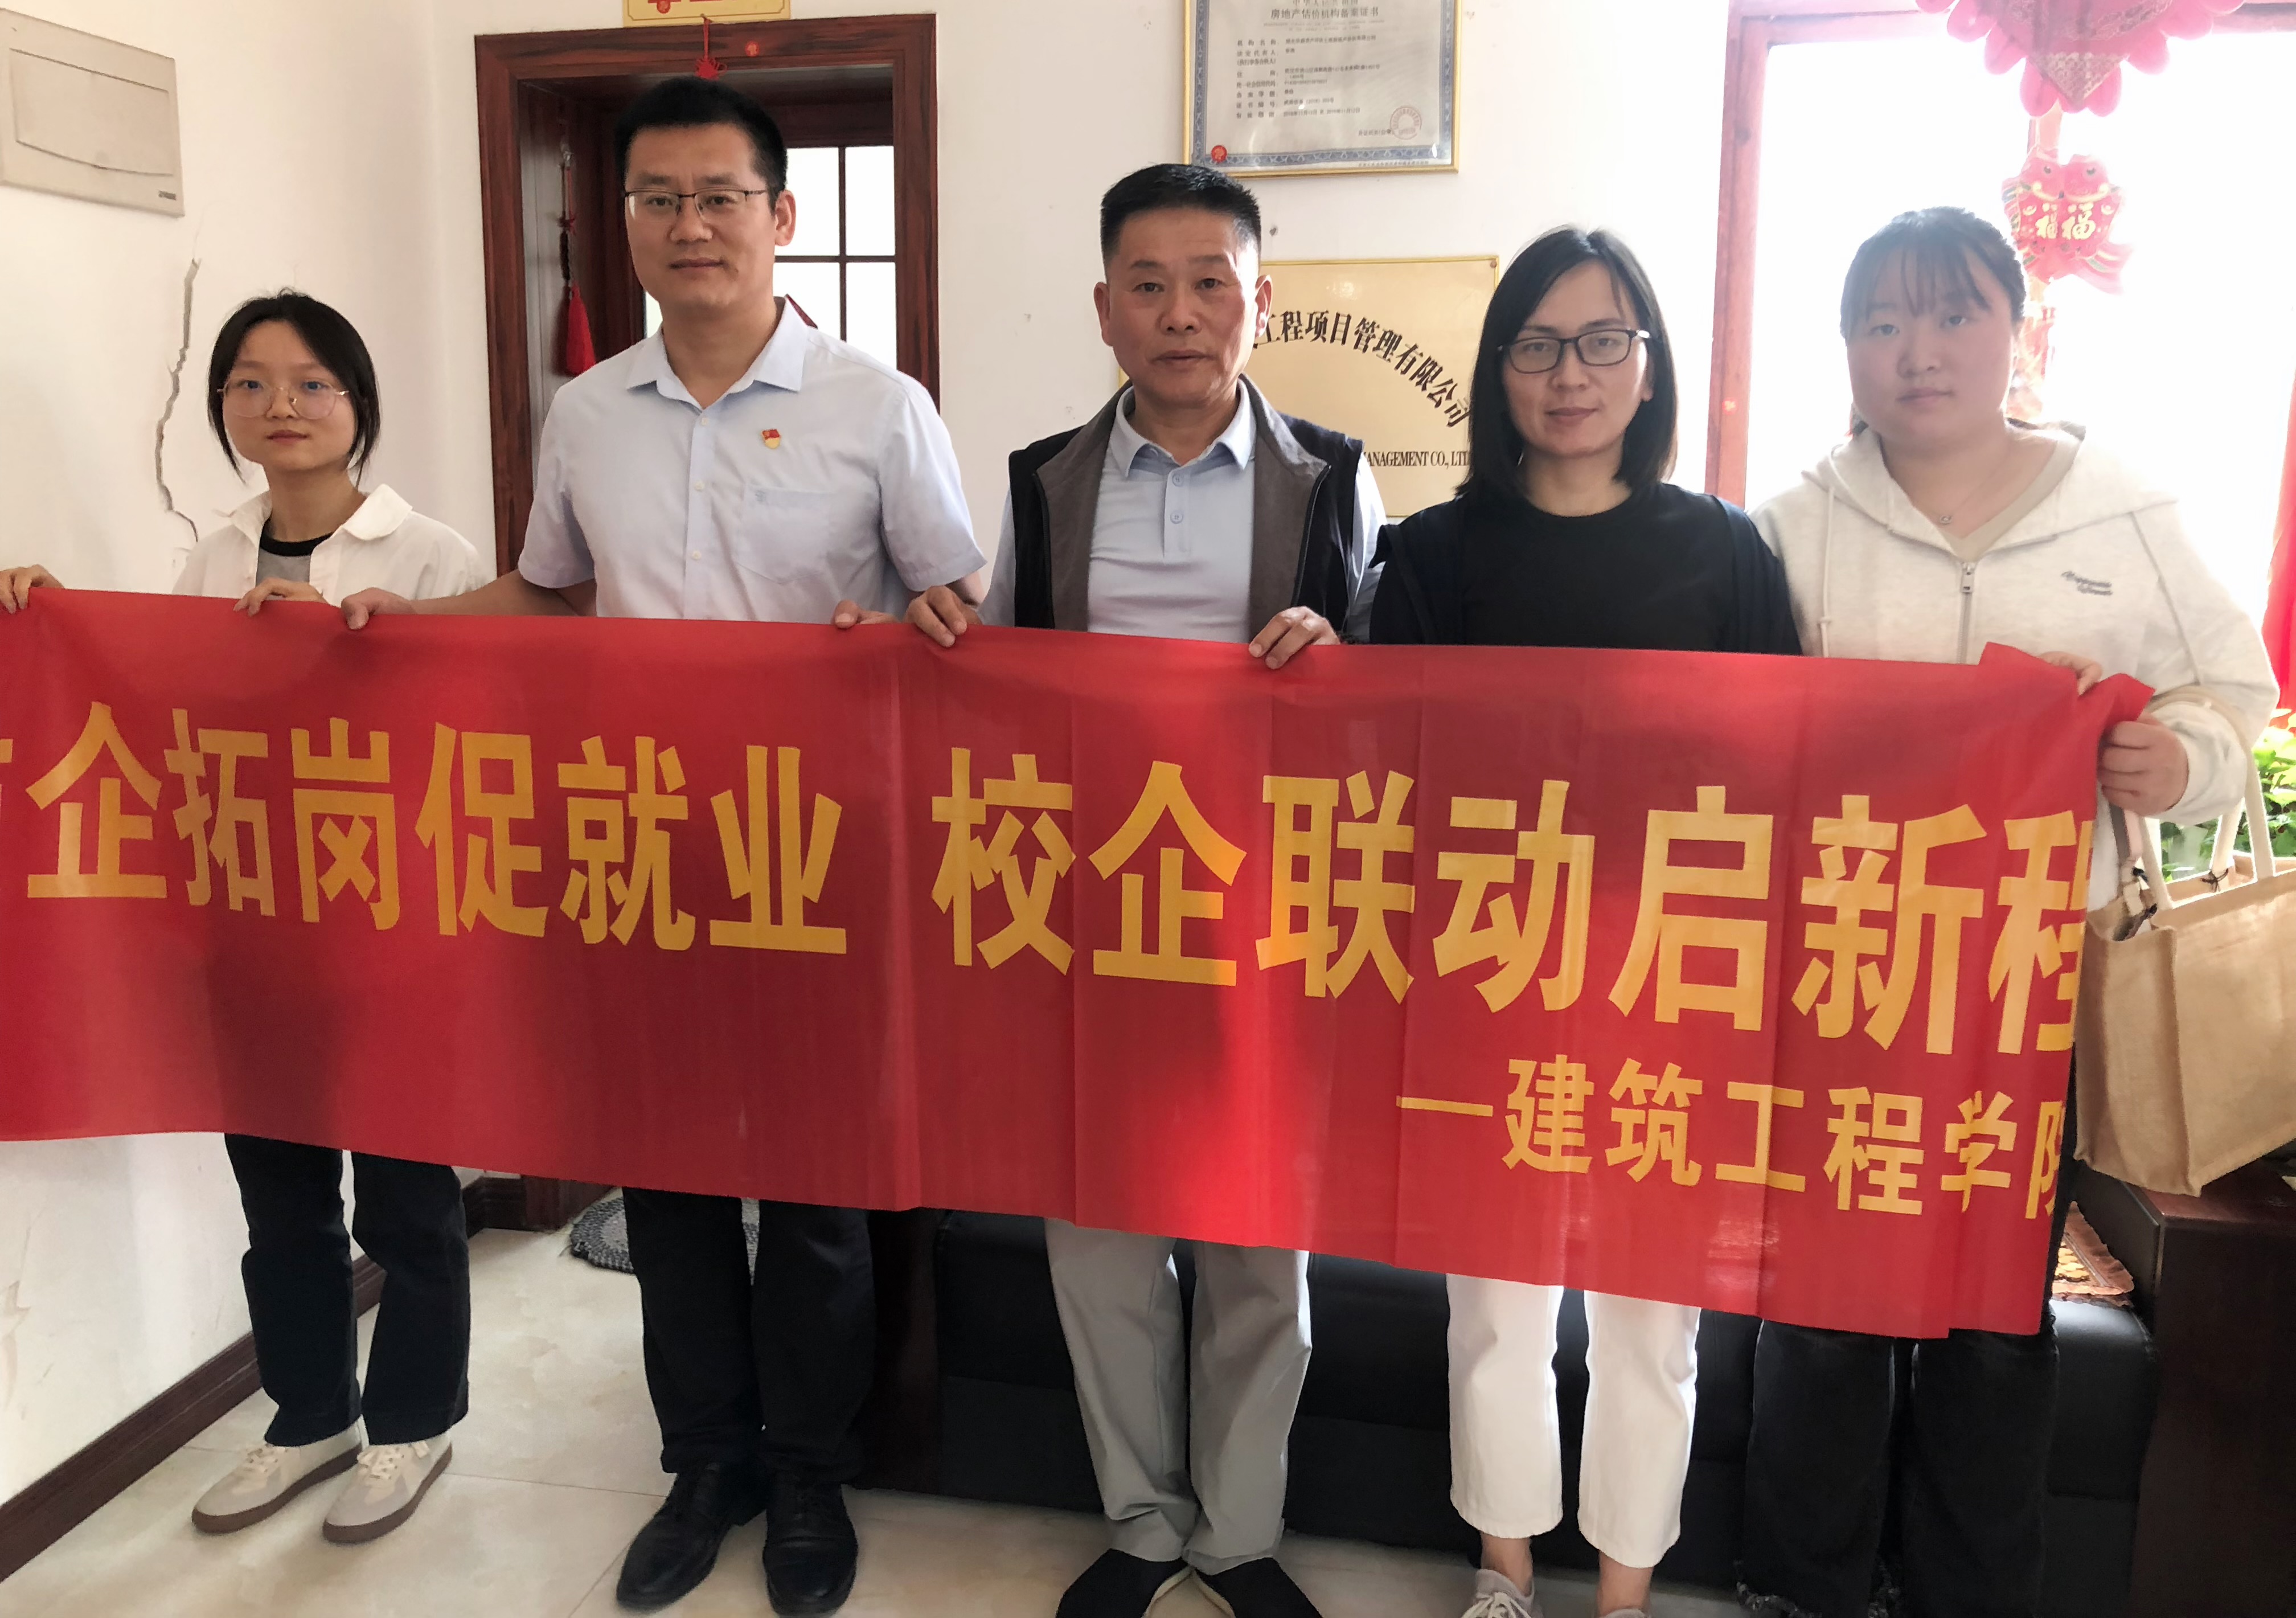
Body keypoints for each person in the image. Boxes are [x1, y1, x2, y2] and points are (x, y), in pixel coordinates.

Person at [337, 76, 981, 1616]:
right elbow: (556, 593)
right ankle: (705, 1463)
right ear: (622, 223)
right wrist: (405, 624)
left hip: (820, 857)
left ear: (782, 216)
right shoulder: (588, 411)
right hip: (643, 853)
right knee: (670, 1177)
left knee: (816, 1190)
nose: (693, 226)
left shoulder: (878, 406)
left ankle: (810, 1471)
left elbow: (959, 615)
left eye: (721, 197)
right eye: (659, 199)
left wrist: (908, 627)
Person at [1736, 207, 2274, 1618]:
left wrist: (2180, 760)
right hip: (1839, 974)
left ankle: (1968, 1591)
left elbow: (2237, 693)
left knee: (1991, 1303)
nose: (1918, 351)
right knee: (1826, 1297)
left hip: (2022, 994)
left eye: (1954, 313)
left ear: (2017, 329)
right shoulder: (1790, 527)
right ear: (1846, 347)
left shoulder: (2124, 511)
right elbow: (1719, 723)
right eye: (1882, 322)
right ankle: (1806, 1584)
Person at [895, 162, 1387, 1618]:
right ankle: (1143, 1522)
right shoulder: (1046, 477)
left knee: (1257, 1246)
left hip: (1267, 915)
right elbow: (1002, 684)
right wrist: (926, 635)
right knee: (1100, 1239)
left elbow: (1389, 690)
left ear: (1260, 301)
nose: (1182, 314)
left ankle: (1240, 1531)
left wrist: (1342, 654)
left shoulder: (1334, 475)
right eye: (1150, 286)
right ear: (1104, 310)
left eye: (1211, 283)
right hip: (1090, 914)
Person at [1, 290, 491, 1545]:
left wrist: (344, 658)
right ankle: (309, 1414)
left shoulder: (427, 553)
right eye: (251, 384)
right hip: (255, 926)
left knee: (406, 1199)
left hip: (392, 927)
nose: (283, 406)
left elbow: (478, 735)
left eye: (313, 382)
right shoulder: (214, 558)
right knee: (279, 1198)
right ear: (222, 406)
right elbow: (161, 707)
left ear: (358, 404)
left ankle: (415, 1423)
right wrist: (57, 618)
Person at [1369, 227, 1802, 1618]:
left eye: (1604, 340)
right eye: (1539, 345)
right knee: (1497, 1308)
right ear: (1499, 370)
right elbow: (1379, 767)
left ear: (1649, 364)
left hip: (1674, 976)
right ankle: (1503, 1573)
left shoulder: (1726, 549)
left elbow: (1788, 763)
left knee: (1651, 1321)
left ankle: (1624, 1590)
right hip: (1490, 971)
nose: (1572, 374)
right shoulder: (1431, 553)